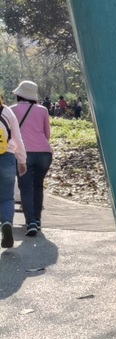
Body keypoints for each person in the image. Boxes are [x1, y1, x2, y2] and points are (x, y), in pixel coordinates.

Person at [12, 81, 53, 237]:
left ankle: (30, 223)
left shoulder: (12, 110)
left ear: (19, 95)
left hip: (23, 153)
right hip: (44, 154)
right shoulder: (43, 110)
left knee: (25, 187)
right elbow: (47, 134)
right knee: (38, 186)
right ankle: (37, 219)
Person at [0, 94, 28, 250]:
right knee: (6, 198)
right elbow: (17, 138)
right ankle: (6, 222)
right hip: (7, 157)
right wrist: (22, 160)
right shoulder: (8, 112)